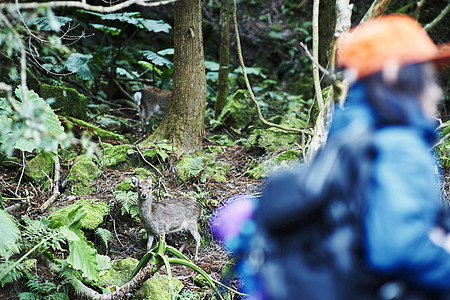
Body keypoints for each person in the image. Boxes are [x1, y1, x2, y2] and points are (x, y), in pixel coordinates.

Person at [211, 14, 450, 299]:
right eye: (425, 76)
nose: (435, 90)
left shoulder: (348, 141)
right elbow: (397, 248)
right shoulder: (398, 146)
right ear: (393, 72)